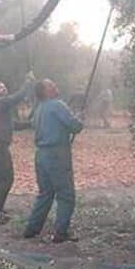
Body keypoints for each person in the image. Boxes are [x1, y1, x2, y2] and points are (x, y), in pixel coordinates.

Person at [23, 78, 84, 243]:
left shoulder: (39, 109)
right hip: (57, 155)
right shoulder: (58, 105)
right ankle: (60, 233)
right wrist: (79, 118)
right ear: (46, 91)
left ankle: (31, 229)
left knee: (45, 193)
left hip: (41, 155)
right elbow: (75, 126)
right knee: (66, 195)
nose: (55, 86)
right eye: (51, 85)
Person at [0, 74, 34, 222]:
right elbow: (17, 97)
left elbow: (13, 125)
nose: (3, 87)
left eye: (3, 85)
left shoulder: (1, 108)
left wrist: (31, 123)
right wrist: (28, 82)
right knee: (7, 179)